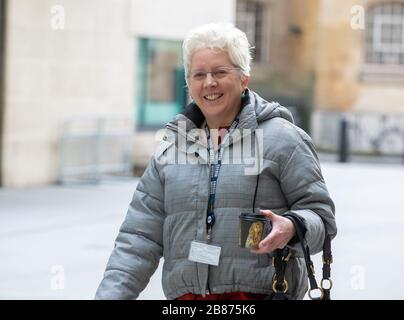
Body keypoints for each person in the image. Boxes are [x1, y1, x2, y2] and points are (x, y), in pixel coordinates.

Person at [95, 23, 337, 300]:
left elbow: (322, 219)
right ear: (188, 83)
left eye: (220, 72)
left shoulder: (284, 139)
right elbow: (138, 239)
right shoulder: (172, 147)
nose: (209, 83)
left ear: (244, 78)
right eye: (199, 74)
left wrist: (293, 226)